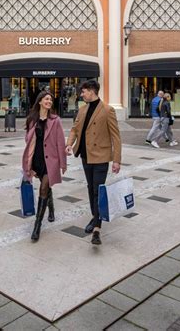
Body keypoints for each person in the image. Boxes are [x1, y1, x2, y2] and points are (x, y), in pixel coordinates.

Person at [66, 79, 121, 246]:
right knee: (90, 189)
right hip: (85, 155)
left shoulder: (107, 110)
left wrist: (116, 160)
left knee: (98, 190)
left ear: (91, 91)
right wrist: (69, 143)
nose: (81, 94)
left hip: (101, 156)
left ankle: (97, 228)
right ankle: (94, 216)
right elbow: (75, 129)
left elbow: (116, 136)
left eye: (83, 92)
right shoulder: (82, 110)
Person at [22, 91, 67, 242]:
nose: (49, 101)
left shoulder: (56, 120)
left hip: (51, 160)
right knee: (45, 187)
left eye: (51, 100)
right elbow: (27, 141)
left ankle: (37, 226)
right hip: (37, 160)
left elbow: (60, 142)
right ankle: (51, 209)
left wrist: (63, 163)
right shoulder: (31, 119)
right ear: (40, 101)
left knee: (43, 187)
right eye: (46, 99)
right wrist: (28, 162)